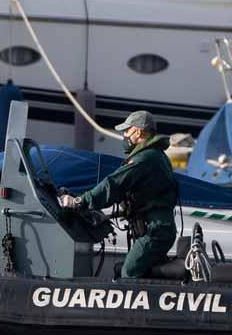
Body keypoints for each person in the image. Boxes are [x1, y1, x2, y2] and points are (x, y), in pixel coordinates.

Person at [60, 111, 179, 278]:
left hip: (155, 231)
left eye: (127, 130)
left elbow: (113, 184)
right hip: (157, 229)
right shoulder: (155, 156)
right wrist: (106, 217)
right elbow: (148, 198)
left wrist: (79, 202)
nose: (124, 135)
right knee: (141, 272)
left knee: (129, 272)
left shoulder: (145, 158)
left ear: (138, 131)